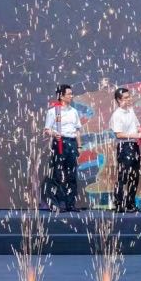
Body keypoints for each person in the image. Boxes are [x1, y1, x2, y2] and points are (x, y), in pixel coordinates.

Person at [43, 84, 81, 212]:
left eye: (71, 93)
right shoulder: (53, 111)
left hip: (72, 142)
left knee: (72, 174)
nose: (71, 96)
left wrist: (79, 146)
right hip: (60, 142)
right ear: (61, 96)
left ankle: (70, 204)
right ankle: (56, 204)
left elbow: (77, 130)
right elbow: (47, 129)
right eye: (69, 94)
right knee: (57, 174)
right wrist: (54, 134)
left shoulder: (74, 111)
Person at [109, 87, 141, 212]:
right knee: (123, 176)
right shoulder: (117, 115)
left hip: (134, 146)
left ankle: (130, 204)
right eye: (126, 98)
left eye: (129, 97)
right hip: (124, 147)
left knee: (134, 176)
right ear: (119, 100)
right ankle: (119, 204)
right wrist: (136, 135)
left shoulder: (131, 111)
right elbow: (119, 134)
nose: (129, 99)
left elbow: (137, 126)